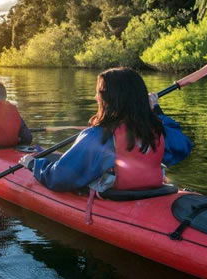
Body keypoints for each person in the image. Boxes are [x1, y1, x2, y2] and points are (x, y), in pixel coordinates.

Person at [19, 67, 193, 196]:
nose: (96, 97)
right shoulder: (156, 130)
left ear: (108, 99)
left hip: (115, 196)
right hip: (154, 191)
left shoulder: (97, 136)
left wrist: (33, 164)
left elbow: (60, 178)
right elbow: (183, 146)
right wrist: (156, 111)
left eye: (99, 93)